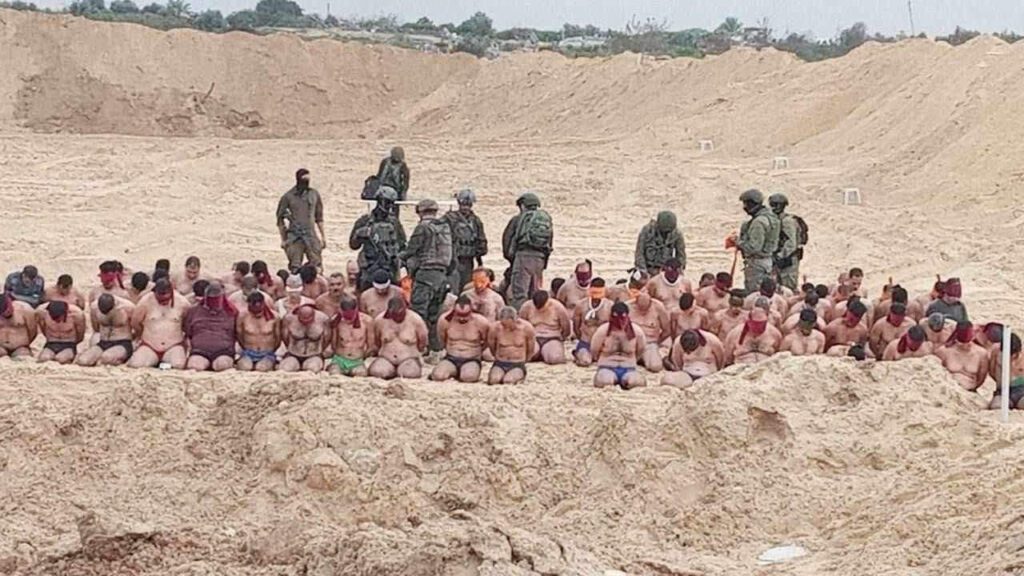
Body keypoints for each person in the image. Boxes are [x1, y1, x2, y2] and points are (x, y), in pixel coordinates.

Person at [403, 199, 454, 359]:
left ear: (420, 212)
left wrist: (398, 257)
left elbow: (411, 249)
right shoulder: (445, 228)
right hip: (442, 275)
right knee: (435, 315)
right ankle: (436, 349)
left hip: (425, 274)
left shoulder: (422, 228)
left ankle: (419, 348)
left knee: (418, 313)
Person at [350, 187, 406, 289]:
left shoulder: (394, 223)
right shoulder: (364, 221)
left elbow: (403, 245)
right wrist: (359, 234)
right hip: (369, 267)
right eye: (387, 202)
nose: (389, 206)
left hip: (389, 268)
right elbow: (353, 245)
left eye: (391, 203)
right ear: (379, 200)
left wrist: (397, 260)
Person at [505, 192, 553, 310]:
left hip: (523, 258)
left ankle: (520, 321)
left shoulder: (518, 219)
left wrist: (511, 259)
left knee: (519, 294)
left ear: (522, 206)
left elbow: (507, 240)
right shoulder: (545, 220)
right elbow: (550, 243)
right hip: (540, 260)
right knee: (535, 292)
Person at [128, 278, 188, 369]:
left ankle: (160, 366)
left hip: (173, 345)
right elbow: (135, 322)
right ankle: (156, 363)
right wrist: (141, 334)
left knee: (178, 365)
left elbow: (187, 324)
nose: (163, 302)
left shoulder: (183, 303)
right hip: (150, 345)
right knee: (136, 365)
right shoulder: (145, 301)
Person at [728, 189, 780, 292]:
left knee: (754, 293)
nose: (744, 207)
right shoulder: (771, 217)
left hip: (757, 263)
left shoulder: (758, 222)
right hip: (766, 260)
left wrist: (737, 242)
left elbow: (754, 247)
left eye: (746, 204)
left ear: (752, 203)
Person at [430, 295, 490, 382]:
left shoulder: (481, 322)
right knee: (438, 376)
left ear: (471, 311)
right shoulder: (445, 320)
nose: (462, 318)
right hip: (451, 357)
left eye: (465, 315)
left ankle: (466, 371)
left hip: (471, 358)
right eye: (459, 314)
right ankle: (453, 371)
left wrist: (478, 352)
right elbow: (442, 338)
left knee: (468, 378)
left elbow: (487, 341)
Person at [276, 168, 326, 272]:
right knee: (295, 267)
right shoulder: (288, 197)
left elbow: (319, 217)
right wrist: (283, 239)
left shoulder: (314, 194)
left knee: (317, 266)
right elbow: (280, 219)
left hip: (311, 235)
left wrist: (323, 236)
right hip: (295, 236)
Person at [368, 297, 428, 380]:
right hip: (386, 358)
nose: (398, 317)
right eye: (395, 315)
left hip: (408, 358)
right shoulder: (380, 320)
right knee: (377, 372)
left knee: (408, 374)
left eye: (400, 314)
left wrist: (416, 354)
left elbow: (423, 341)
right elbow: (377, 340)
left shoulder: (416, 320)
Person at [591, 302, 647, 390]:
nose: (619, 321)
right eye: (616, 317)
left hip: (629, 367)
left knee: (636, 383)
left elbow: (641, 349)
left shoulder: (637, 332)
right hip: (607, 366)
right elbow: (594, 349)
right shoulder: (603, 331)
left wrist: (632, 359)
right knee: (605, 382)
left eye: (623, 317)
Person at [184, 282, 237, 372]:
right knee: (194, 366)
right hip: (200, 350)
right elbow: (187, 331)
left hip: (223, 351)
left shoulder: (231, 312)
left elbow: (238, 333)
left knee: (222, 365)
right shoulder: (194, 311)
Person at [444, 188, 488, 294]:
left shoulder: (476, 221)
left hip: (468, 260)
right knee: (453, 288)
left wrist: (479, 256)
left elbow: (481, 241)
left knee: (467, 288)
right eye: (463, 204)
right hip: (453, 260)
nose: (465, 208)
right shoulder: (449, 218)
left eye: (468, 205)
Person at [77, 294, 135, 367]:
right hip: (103, 342)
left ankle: (120, 358)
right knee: (83, 361)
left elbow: (136, 326)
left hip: (122, 342)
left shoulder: (128, 307)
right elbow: (96, 328)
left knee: (106, 358)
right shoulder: (94, 307)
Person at [326, 296, 375, 377]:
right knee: (334, 374)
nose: (348, 320)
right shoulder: (336, 321)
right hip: (340, 359)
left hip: (357, 360)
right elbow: (333, 344)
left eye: (350, 317)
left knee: (361, 375)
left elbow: (371, 345)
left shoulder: (367, 321)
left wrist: (361, 357)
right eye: (346, 318)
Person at [519, 290, 571, 364]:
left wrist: (562, 338)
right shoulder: (526, 307)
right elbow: (521, 324)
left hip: (552, 337)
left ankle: (546, 352)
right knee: (526, 357)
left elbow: (566, 327)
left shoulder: (558, 307)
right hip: (533, 337)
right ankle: (539, 353)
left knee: (555, 359)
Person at [487, 306, 536, 385]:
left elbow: (531, 348)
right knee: (494, 380)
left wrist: (525, 360)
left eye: (509, 325)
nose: (506, 328)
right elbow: (491, 345)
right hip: (500, 361)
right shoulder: (495, 328)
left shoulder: (527, 328)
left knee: (508, 381)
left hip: (517, 362)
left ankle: (520, 375)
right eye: (503, 325)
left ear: (515, 320)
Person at [935, 322, 989, 391]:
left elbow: (981, 377)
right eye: (962, 344)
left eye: (968, 343)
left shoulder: (981, 353)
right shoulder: (943, 351)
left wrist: (972, 388)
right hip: (949, 390)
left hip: (969, 389)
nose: (965, 346)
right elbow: (937, 373)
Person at [571, 278, 612, 367]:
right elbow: (576, 325)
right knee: (584, 362)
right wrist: (580, 337)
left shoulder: (610, 306)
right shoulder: (581, 305)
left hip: (603, 344)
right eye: (594, 293)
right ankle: (579, 353)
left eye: (599, 293)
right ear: (589, 290)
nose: (596, 296)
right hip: (586, 341)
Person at [236, 291, 280, 372]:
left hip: (267, 352)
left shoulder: (274, 317)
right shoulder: (242, 316)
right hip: (249, 351)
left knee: (261, 368)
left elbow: (278, 338)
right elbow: (239, 335)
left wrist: (270, 350)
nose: (257, 314)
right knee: (245, 368)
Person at [279, 304, 330, 373]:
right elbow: (285, 337)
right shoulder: (289, 319)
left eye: (308, 319)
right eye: (303, 319)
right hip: (293, 353)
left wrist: (320, 351)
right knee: (285, 369)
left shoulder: (323, 319)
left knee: (312, 369)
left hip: (314, 354)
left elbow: (327, 339)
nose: (305, 322)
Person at [634, 210, 686, 277]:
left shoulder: (677, 234)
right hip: (647, 268)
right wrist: (644, 271)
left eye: (668, 231)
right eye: (664, 231)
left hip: (666, 270)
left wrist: (678, 270)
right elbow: (639, 253)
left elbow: (681, 256)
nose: (666, 234)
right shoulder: (647, 231)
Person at [628, 291, 671, 371]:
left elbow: (667, 329)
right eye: (641, 308)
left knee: (655, 367)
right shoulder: (628, 307)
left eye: (646, 308)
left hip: (649, 343)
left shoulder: (658, 307)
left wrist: (657, 342)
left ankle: (646, 357)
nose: (643, 312)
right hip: (632, 344)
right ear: (636, 302)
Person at [769, 193, 804, 291]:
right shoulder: (778, 220)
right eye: (772, 204)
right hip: (781, 259)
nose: (773, 207)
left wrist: (779, 256)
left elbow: (791, 243)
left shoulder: (787, 221)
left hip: (788, 260)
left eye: (775, 205)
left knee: (788, 288)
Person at [988, 334, 1024, 410]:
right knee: (996, 407)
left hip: (1021, 390)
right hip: (1002, 390)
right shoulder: (996, 352)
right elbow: (991, 371)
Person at [0, 293, 36, 359]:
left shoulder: (25, 309)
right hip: (1, 346)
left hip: (20, 346)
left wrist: (25, 343)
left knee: (22, 357)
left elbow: (32, 330)